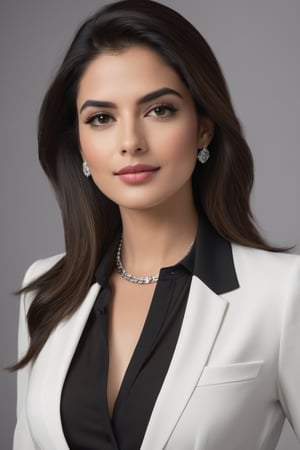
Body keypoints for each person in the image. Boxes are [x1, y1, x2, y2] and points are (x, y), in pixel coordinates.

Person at [12, 1, 300, 449]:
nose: (130, 142)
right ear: (80, 145)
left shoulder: (283, 294)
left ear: (203, 128)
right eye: (101, 118)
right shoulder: (45, 290)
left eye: (159, 110)